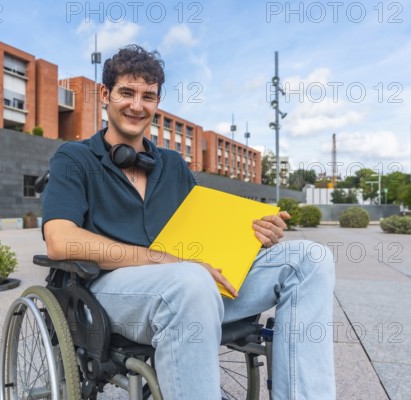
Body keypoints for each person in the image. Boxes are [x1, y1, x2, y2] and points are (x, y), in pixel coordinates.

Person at [42, 44, 335, 400]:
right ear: (105, 95)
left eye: (148, 96)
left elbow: (205, 228)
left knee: (309, 259)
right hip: (108, 293)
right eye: (127, 93)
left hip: (188, 285)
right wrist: (167, 261)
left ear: (157, 102)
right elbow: (61, 240)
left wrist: (255, 235)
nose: (137, 105)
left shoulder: (172, 165)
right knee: (189, 278)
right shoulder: (74, 158)